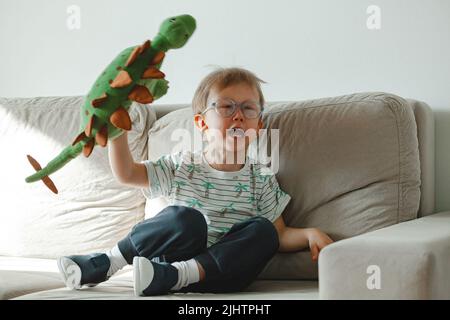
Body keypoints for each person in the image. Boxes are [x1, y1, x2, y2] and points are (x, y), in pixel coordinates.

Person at [57, 67, 334, 296]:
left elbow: (280, 234)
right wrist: (116, 134)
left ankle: (179, 276)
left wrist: (309, 233)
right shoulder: (183, 165)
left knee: (264, 232)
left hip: (223, 274)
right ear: (201, 123)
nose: (238, 115)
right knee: (185, 219)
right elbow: (127, 174)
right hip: (166, 265)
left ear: (259, 126)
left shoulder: (260, 176)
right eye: (226, 107)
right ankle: (107, 262)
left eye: (249, 108)